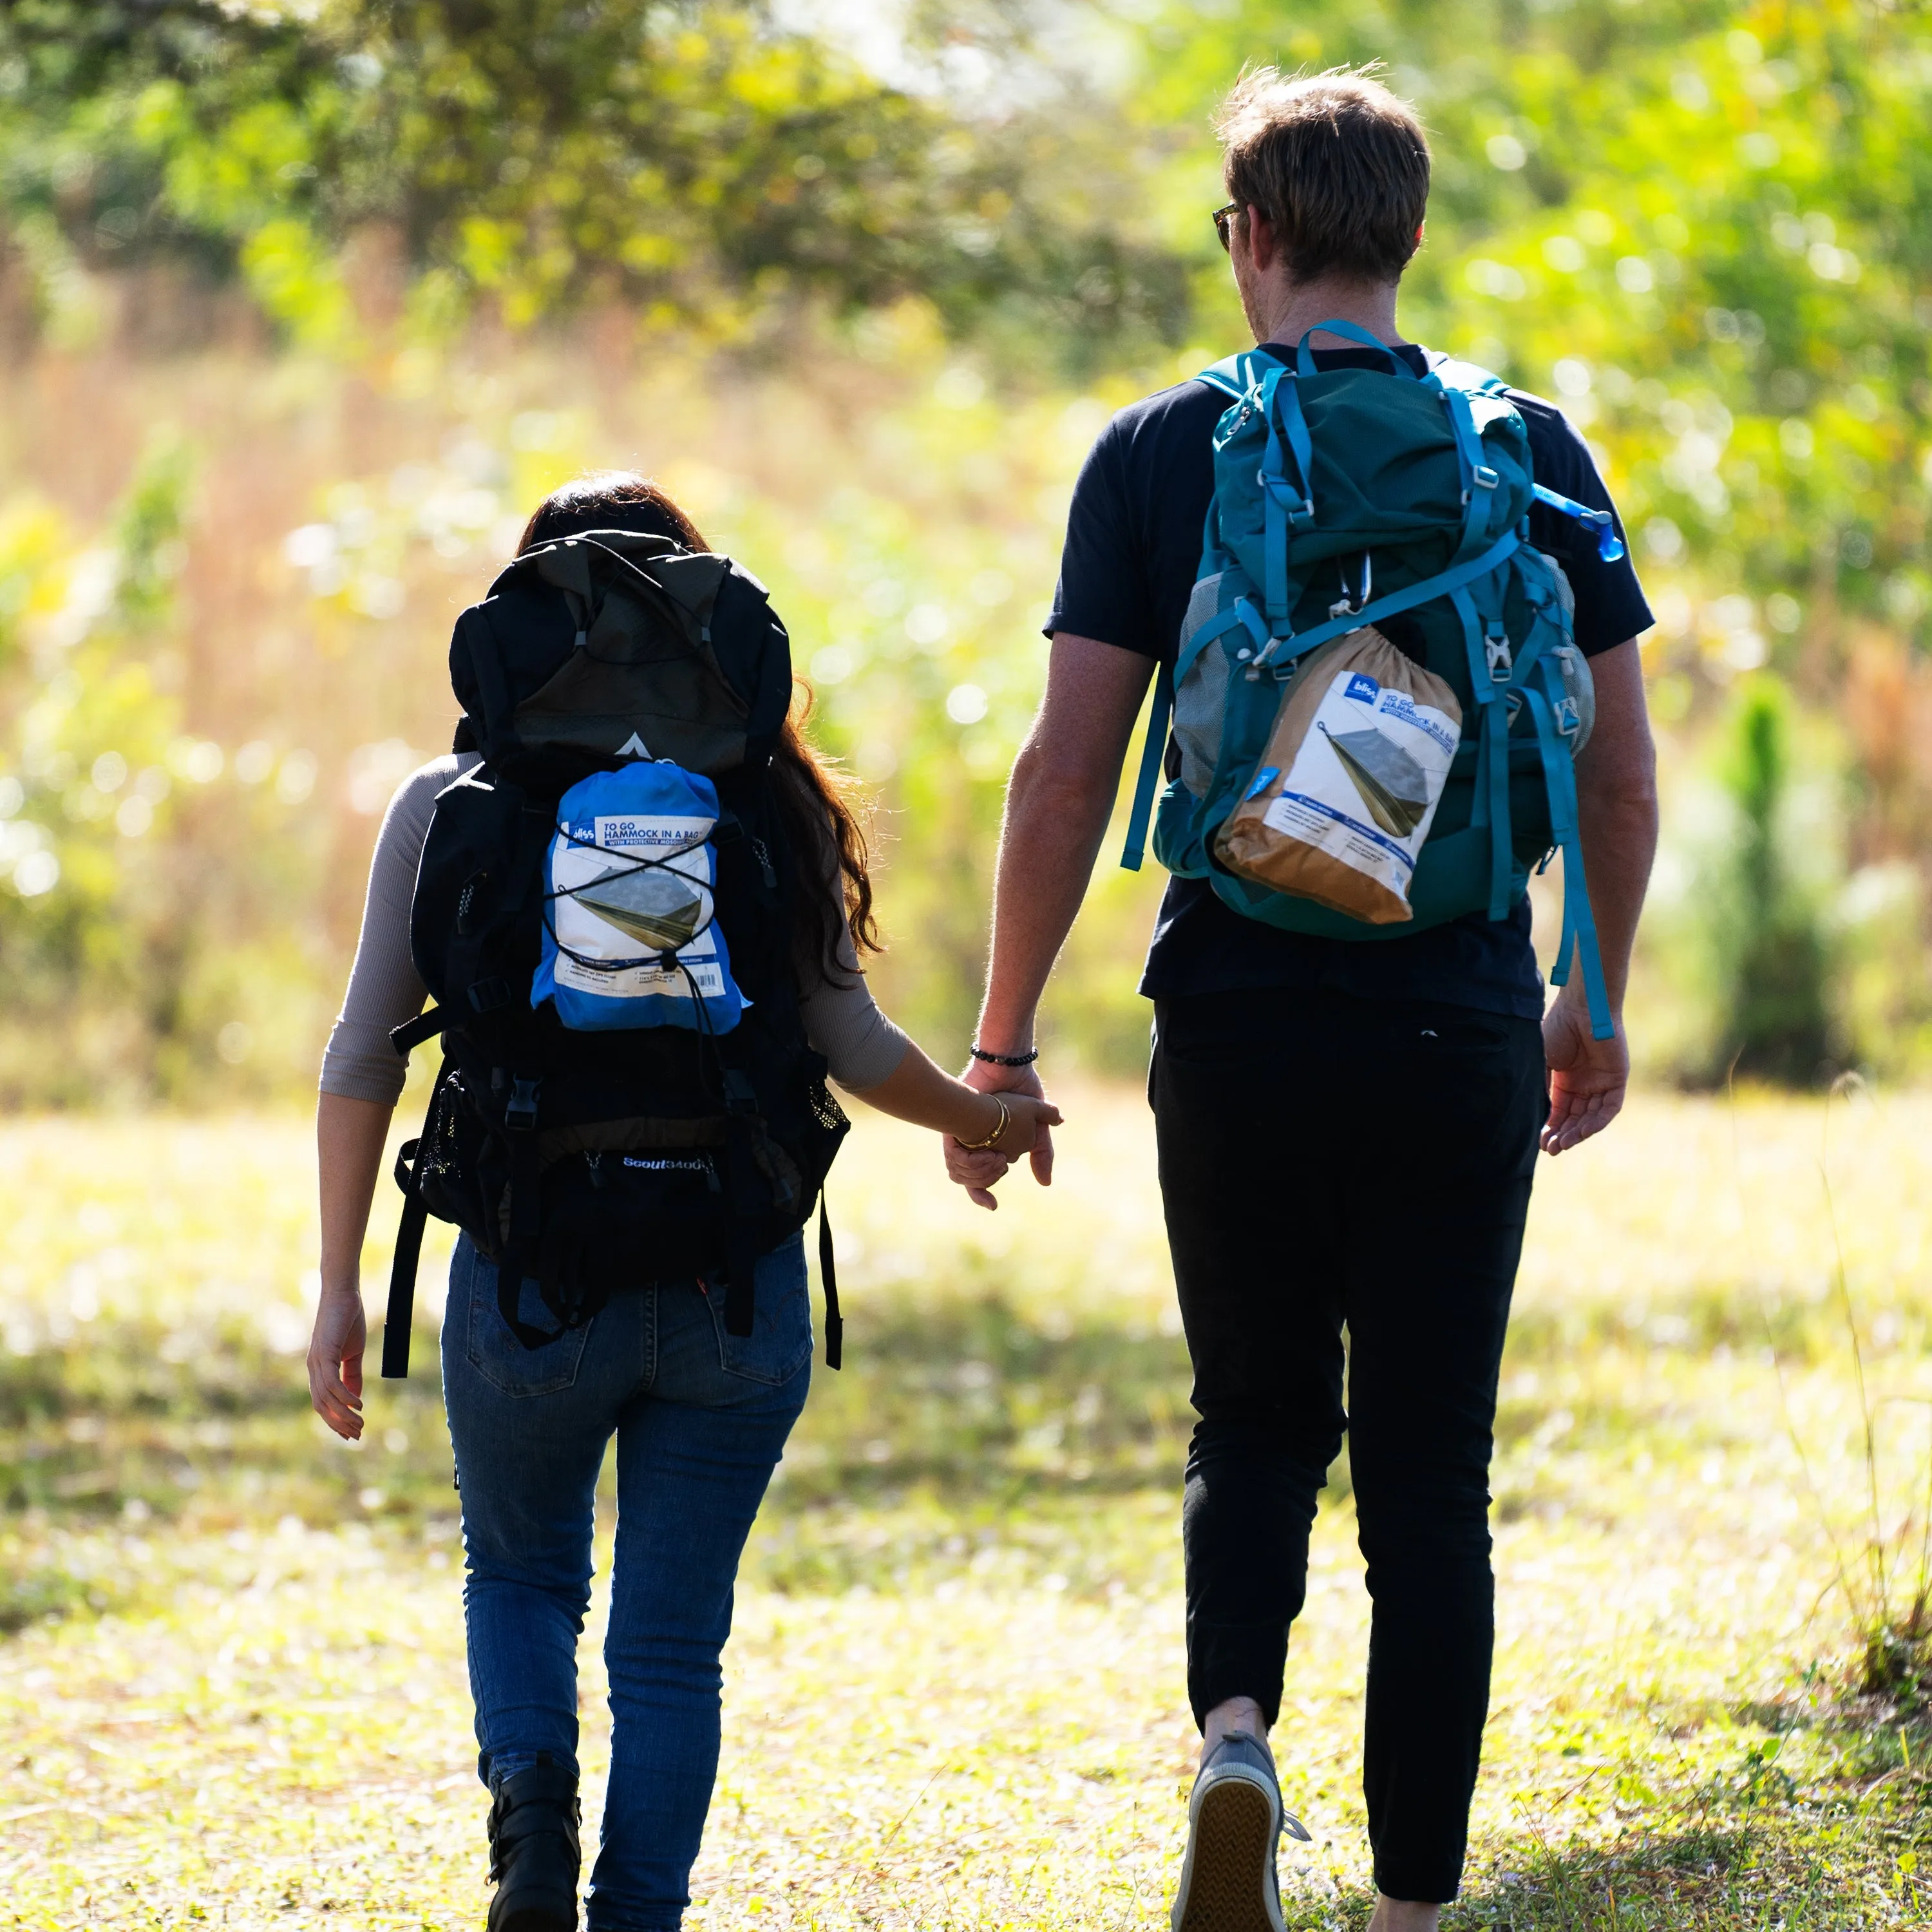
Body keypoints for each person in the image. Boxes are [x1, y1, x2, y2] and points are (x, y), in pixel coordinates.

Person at [944, 67, 1658, 1932]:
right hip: (1458, 1018)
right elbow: (1622, 775)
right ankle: (1416, 1910)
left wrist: (1002, 1043)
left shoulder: (1161, 454)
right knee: (1433, 1478)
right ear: (1405, 241)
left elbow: (1063, 772)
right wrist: (1591, 990)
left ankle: (1238, 1742)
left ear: (1247, 240)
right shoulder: (1538, 455)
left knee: (1253, 1417)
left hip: (1239, 1012)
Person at [305, 473, 1059, 1932]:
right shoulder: (769, 803)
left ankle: (530, 1827)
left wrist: (337, 1285)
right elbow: (854, 1046)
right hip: (736, 1282)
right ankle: (637, 1910)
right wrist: (985, 1117)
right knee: (669, 1651)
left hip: (529, 1280)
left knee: (519, 1575)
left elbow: (359, 1060)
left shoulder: (448, 804)